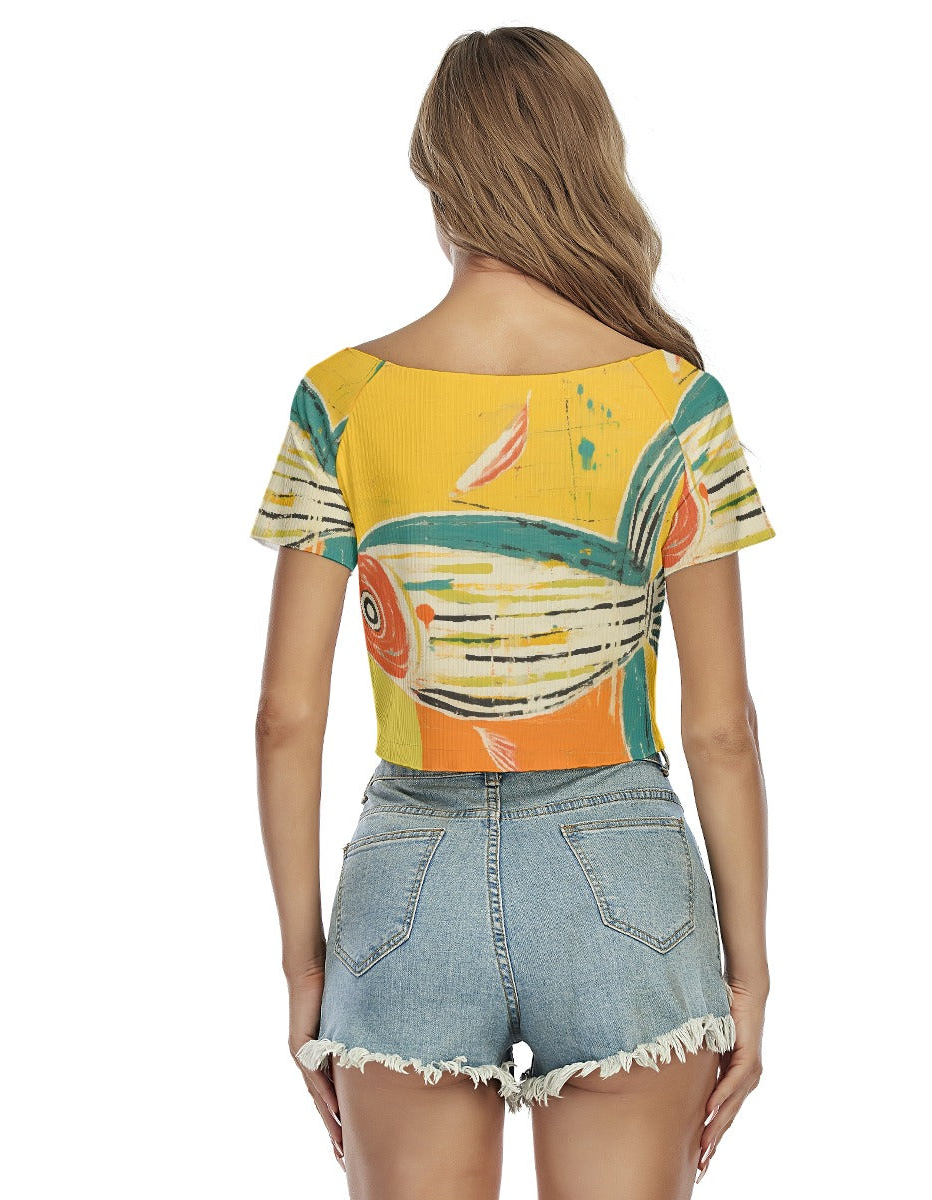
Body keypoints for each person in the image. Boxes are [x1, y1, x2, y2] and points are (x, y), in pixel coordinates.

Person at [250, 26, 775, 1199]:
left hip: (404, 880)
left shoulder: (340, 399)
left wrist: (303, 966)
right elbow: (722, 727)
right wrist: (749, 971)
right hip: (626, 876)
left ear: (436, 172)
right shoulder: (675, 401)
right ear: (590, 163)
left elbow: (285, 719)